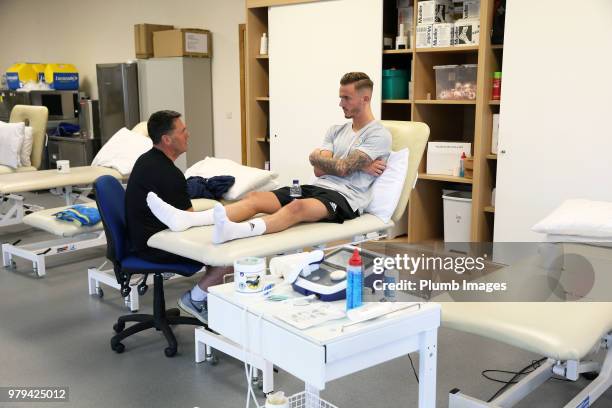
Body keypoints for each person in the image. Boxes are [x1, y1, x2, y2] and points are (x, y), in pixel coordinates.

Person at [145, 72, 391, 311]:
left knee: (295, 208)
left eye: (346, 98)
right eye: (340, 97)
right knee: (255, 199)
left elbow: (341, 168)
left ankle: (237, 231)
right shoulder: (336, 130)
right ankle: (188, 219)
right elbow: (318, 168)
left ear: (365, 98)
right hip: (317, 186)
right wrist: (338, 162)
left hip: (345, 198)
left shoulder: (378, 134)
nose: (340, 103)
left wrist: (332, 161)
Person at [125, 110, 229, 324]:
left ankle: (210, 299)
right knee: (229, 255)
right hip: (155, 248)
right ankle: (195, 299)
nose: (188, 135)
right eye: (183, 131)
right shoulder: (168, 174)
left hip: (140, 238)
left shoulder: (147, 161)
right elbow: (189, 224)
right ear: (167, 139)